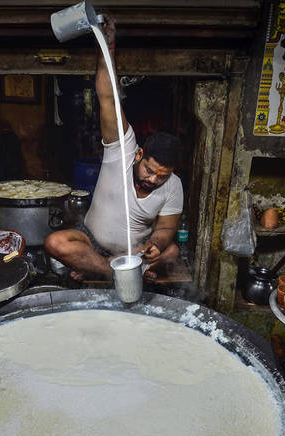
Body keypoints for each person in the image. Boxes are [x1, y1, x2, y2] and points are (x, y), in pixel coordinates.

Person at [44, 15, 184, 283]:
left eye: (162, 176)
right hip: (93, 242)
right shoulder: (123, 149)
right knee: (56, 243)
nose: (153, 179)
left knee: (172, 251)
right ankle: (119, 273)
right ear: (139, 154)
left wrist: (155, 243)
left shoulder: (173, 185)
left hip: (137, 251)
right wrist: (107, 46)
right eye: (150, 170)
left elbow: (167, 227)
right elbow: (107, 97)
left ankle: (109, 268)